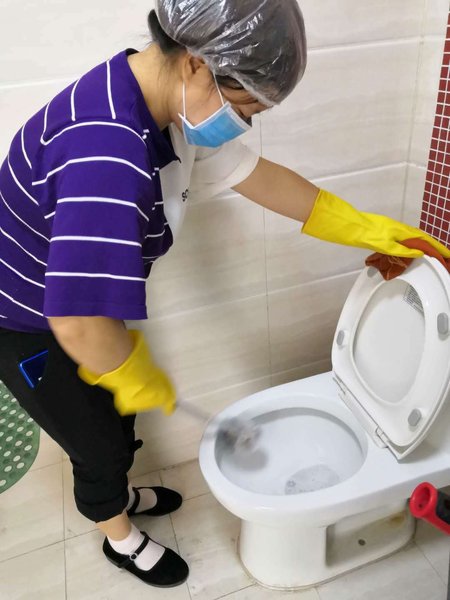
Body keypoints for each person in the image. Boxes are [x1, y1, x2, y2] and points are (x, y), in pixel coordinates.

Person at [0, 0, 448, 589]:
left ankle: (121, 493)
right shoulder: (107, 151)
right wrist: (132, 373)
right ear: (195, 62)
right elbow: (77, 322)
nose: (242, 124)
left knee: (114, 419)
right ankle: (120, 538)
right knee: (95, 439)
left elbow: (262, 178)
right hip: (25, 320)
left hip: (73, 305)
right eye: (244, 108)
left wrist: (365, 228)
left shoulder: (154, 96)